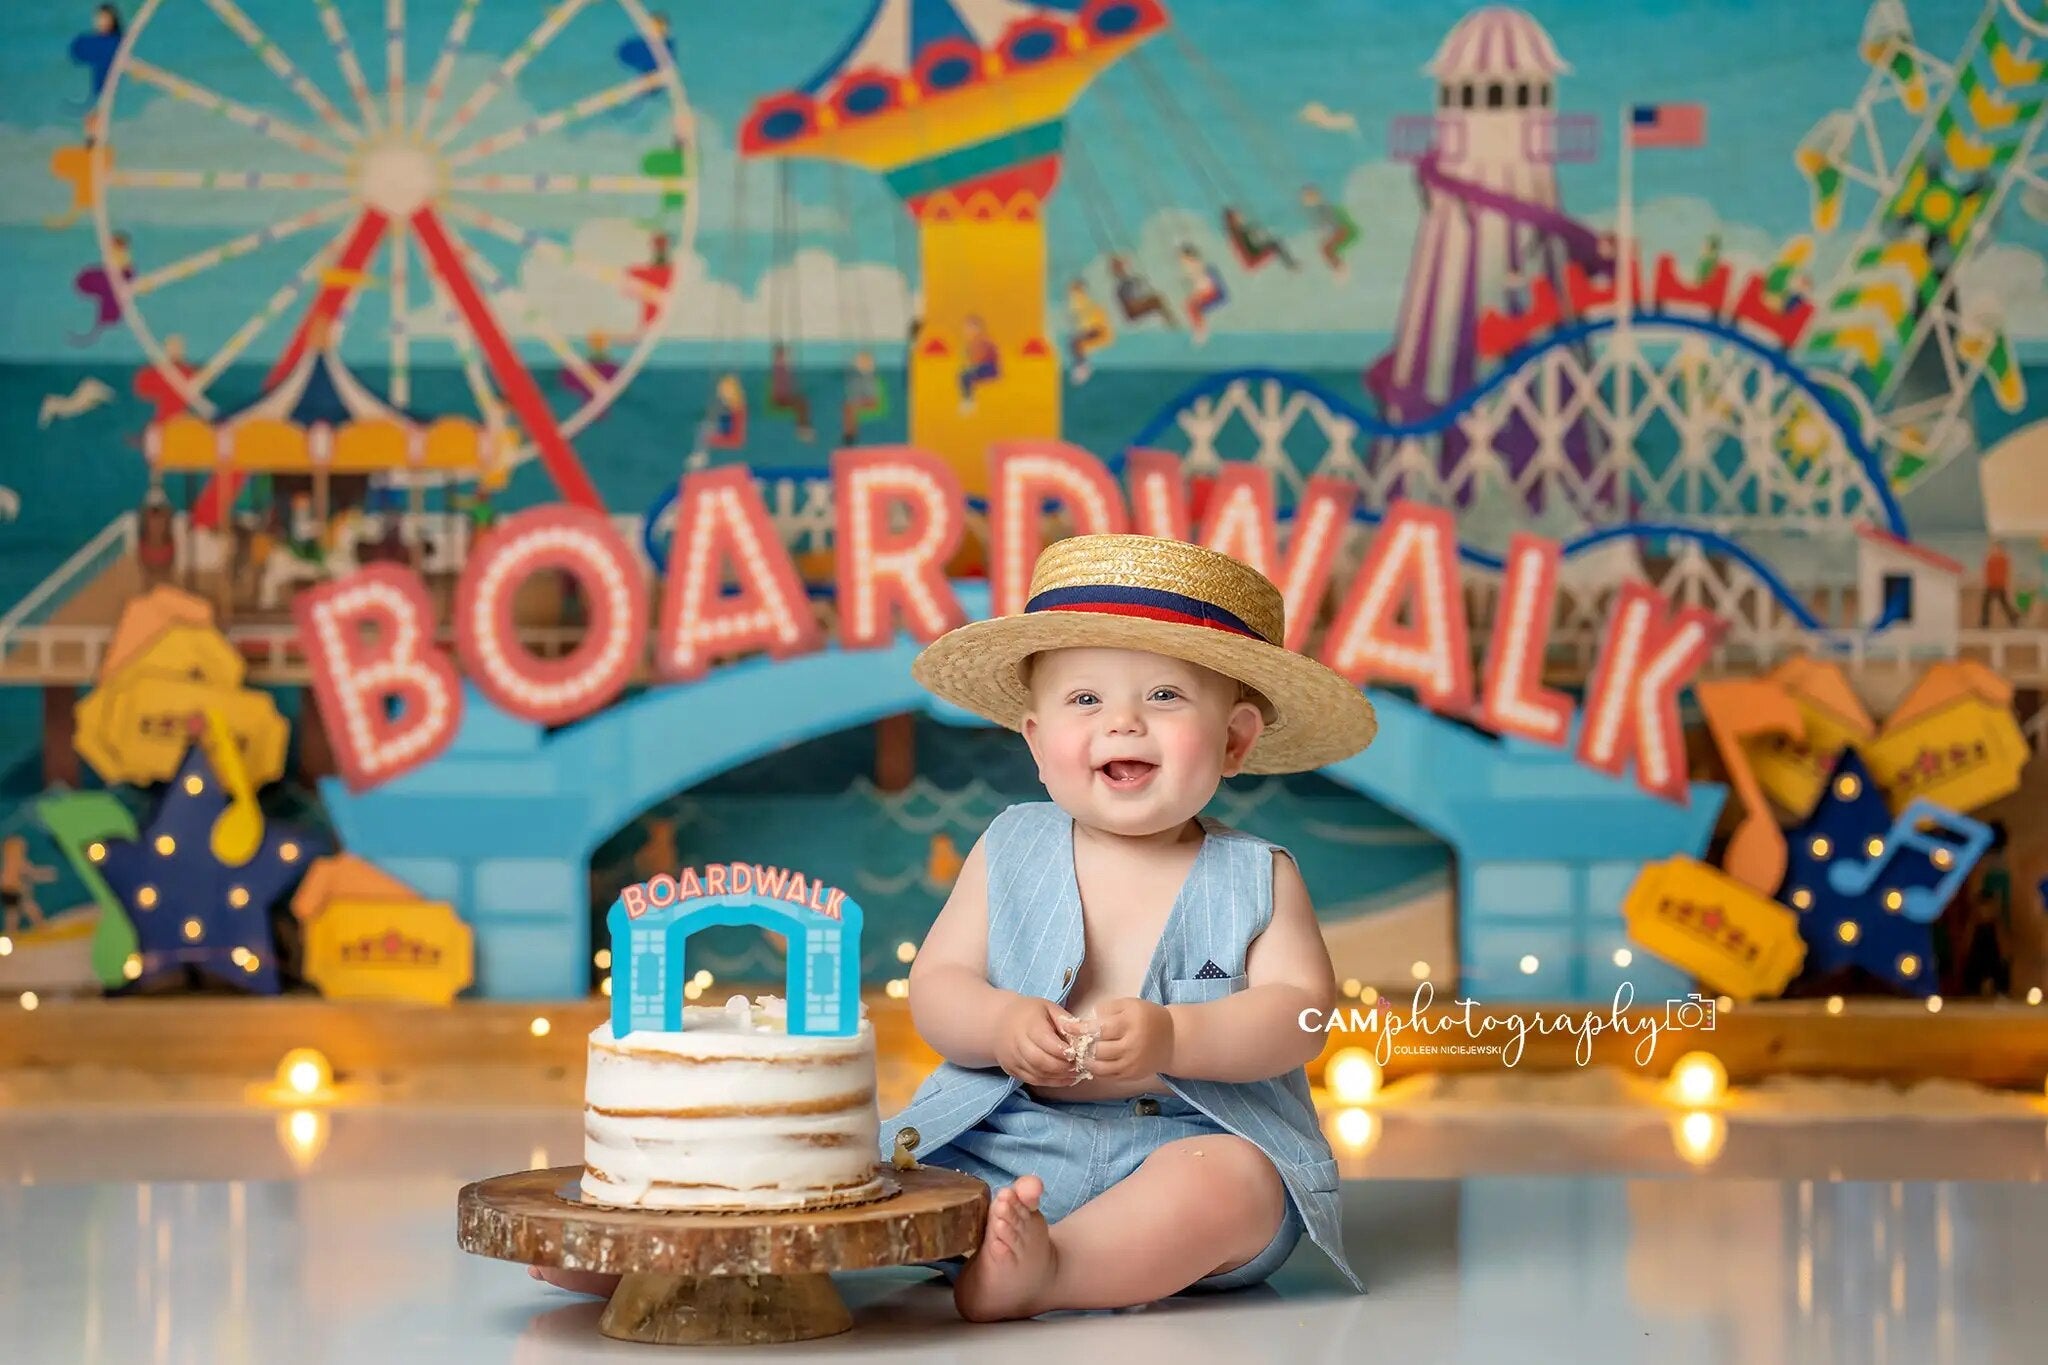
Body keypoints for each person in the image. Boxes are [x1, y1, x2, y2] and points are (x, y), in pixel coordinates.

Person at [531, 535, 1375, 1316]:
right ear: (1039, 743)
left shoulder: (1258, 874)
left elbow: (1302, 1014)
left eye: (1164, 695)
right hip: (1006, 1136)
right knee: (852, 1173)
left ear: (1233, 740)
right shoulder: (1011, 845)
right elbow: (939, 986)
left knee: (1239, 1189)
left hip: (1187, 1141)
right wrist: (1003, 1023)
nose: (1124, 722)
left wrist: (1176, 1036)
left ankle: (1058, 1269)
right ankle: (679, 1249)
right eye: (1087, 697)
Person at [1063, 279, 1114, 384]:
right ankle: (1082, 366)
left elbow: (1096, 324)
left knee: (1075, 343)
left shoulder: (1087, 303)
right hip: (1094, 332)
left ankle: (1082, 367)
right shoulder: (1077, 302)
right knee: (1074, 343)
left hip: (1100, 332)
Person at [1301, 185, 1358, 275]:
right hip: (1338, 229)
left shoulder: (1324, 207)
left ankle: (1339, 267)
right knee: (1325, 248)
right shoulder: (1321, 208)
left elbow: (1333, 223)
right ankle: (1339, 267)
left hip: (1339, 229)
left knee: (1325, 248)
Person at [1178, 244, 1227, 344]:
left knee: (1192, 305)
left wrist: (1197, 294)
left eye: (1184, 260)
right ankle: (1199, 329)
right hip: (1205, 291)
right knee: (1188, 305)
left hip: (1210, 291)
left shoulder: (1197, 266)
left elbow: (1205, 283)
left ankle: (1201, 330)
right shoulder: (1193, 268)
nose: (1183, 264)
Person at [1222, 206, 1295, 272]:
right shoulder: (1236, 233)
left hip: (1252, 255)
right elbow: (1245, 244)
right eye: (1237, 217)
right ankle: (1291, 265)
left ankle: (1291, 265)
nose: (1240, 218)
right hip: (1252, 259)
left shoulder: (1236, 232)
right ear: (1233, 220)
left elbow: (1247, 242)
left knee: (1273, 243)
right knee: (1275, 245)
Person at [1109, 254, 1173, 328]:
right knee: (1157, 300)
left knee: (1158, 299)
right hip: (1134, 312)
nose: (1123, 267)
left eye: (1122, 265)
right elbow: (1130, 306)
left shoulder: (1135, 280)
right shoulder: (1122, 287)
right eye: (1119, 266)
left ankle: (1171, 324)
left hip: (1139, 307)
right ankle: (1172, 325)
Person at [767, 342, 814, 441]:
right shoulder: (778, 368)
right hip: (779, 399)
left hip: (784, 397)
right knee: (801, 403)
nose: (785, 358)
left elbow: (788, 382)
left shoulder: (783, 368)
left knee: (802, 402)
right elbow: (781, 385)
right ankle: (803, 427)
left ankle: (803, 426)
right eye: (782, 356)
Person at [958, 314, 1000, 412]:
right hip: (979, 368)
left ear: (978, 328)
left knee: (965, 375)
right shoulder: (969, 343)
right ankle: (967, 400)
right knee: (963, 375)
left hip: (989, 368)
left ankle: (968, 402)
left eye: (971, 327)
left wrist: (972, 366)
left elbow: (986, 357)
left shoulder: (984, 341)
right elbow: (969, 360)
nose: (967, 330)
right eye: (967, 328)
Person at [1983, 539, 2018, 628]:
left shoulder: (2003, 559)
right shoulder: (1991, 559)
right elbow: (1987, 572)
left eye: (1997, 548)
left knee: (2003, 603)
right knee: (1987, 603)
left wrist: (2007, 585)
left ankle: (2014, 618)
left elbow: (2006, 573)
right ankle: (1985, 622)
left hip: (1999, 585)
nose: (1995, 550)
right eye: (1994, 548)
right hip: (1991, 585)